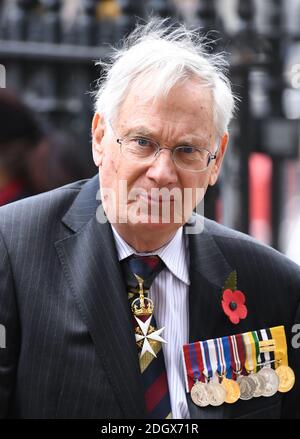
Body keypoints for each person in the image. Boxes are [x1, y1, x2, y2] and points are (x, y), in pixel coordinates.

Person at [0, 19, 299, 419]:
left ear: (217, 160)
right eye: (143, 142)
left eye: (188, 150)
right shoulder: (15, 249)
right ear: (100, 138)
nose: (162, 172)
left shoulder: (273, 283)